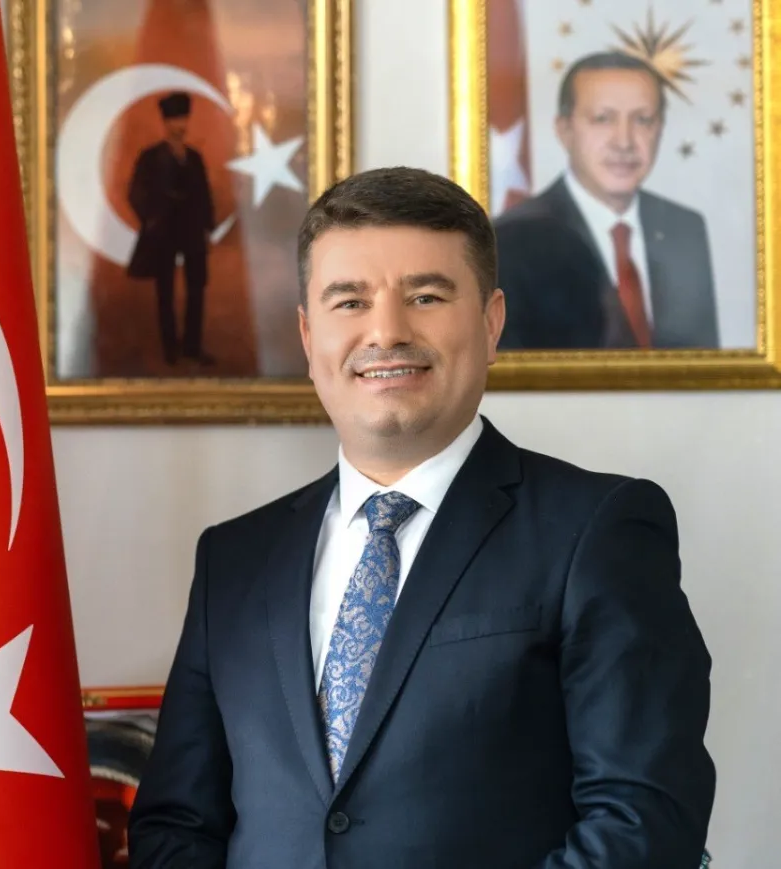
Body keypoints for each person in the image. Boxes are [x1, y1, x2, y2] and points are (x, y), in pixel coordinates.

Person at [128, 166, 715, 868]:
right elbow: (176, 824)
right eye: (350, 301)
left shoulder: (599, 531)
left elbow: (641, 824)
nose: (387, 331)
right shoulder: (234, 558)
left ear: (491, 323)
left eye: (426, 296)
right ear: (309, 337)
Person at [495, 51, 719, 350]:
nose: (624, 142)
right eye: (603, 119)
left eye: (643, 120)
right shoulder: (514, 238)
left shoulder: (684, 228)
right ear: (564, 130)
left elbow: (704, 364)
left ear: (660, 129)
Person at [127, 91, 215, 366]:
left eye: (183, 119)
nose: (180, 125)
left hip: (192, 232)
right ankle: (170, 349)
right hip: (163, 233)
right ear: (165, 122)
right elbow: (135, 193)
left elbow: (204, 195)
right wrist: (151, 219)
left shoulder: (195, 158)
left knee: (196, 290)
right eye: (175, 119)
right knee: (164, 292)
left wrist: (207, 228)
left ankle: (192, 347)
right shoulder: (150, 157)